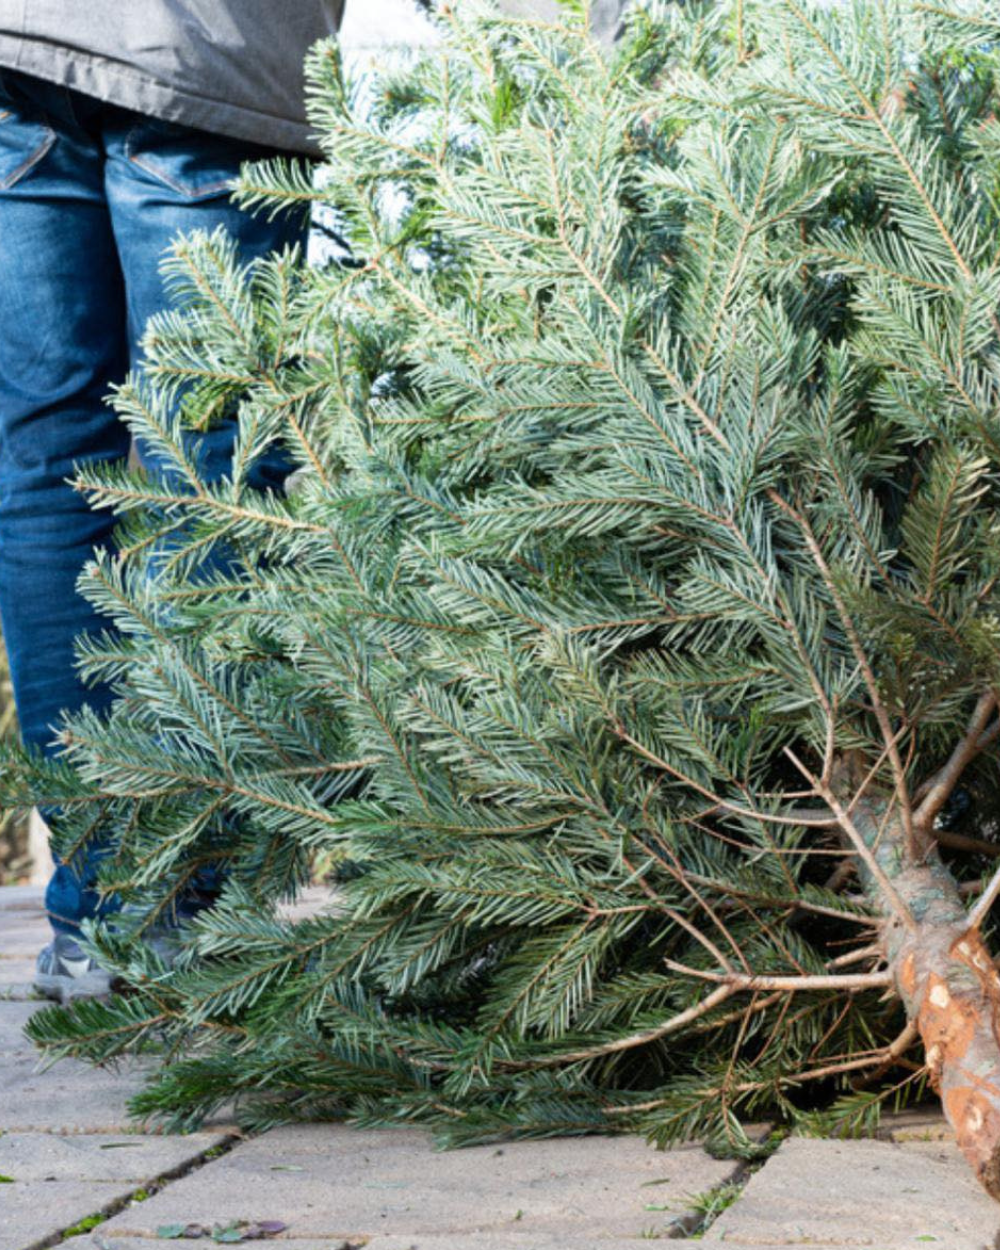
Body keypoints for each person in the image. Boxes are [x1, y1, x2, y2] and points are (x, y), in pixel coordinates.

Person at [0, 0, 343, 1001]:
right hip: (206, 55)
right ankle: (181, 905)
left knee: (51, 467)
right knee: (210, 471)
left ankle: (106, 908)